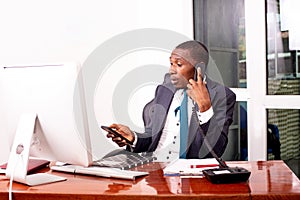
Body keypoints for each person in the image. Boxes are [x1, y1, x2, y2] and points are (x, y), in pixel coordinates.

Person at [106, 40, 236, 160]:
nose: (171, 70)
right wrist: (133, 138)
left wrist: (205, 108)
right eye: (171, 63)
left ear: (199, 68)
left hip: (190, 176)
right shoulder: (164, 90)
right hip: (155, 170)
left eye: (179, 64)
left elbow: (215, 151)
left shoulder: (222, 96)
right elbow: (153, 137)